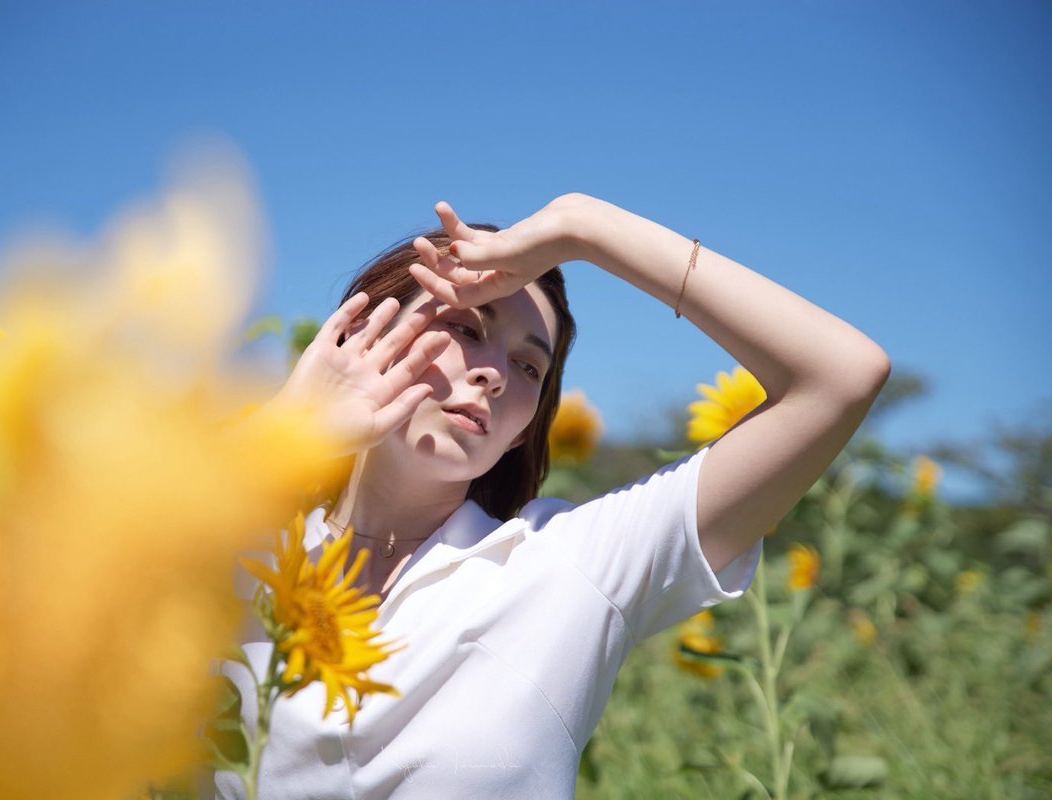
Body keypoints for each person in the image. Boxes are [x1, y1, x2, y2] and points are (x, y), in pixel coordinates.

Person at [216, 192, 890, 799]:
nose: (493, 376)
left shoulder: (569, 565)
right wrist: (285, 430)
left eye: (529, 366)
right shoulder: (224, 541)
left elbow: (842, 375)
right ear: (364, 335)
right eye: (467, 327)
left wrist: (583, 227)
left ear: (520, 434)